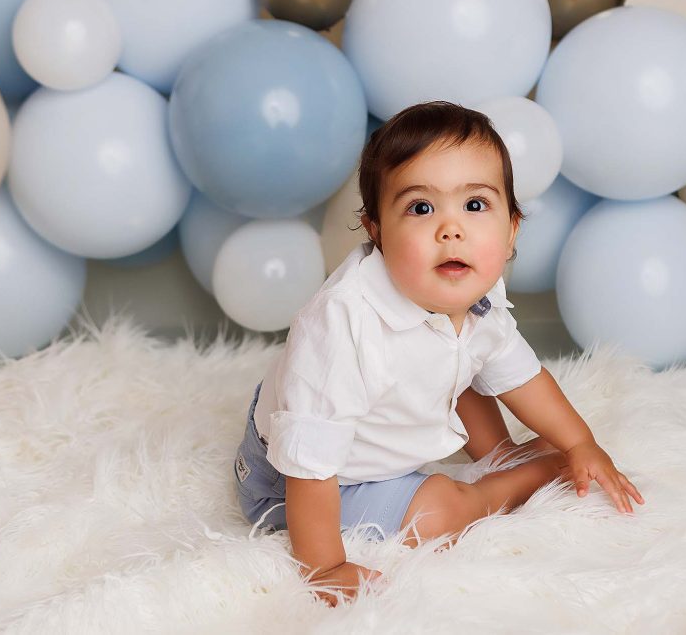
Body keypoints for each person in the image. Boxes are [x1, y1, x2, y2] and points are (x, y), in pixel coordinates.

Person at [233, 101, 644, 607]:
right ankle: (518, 479)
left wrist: (581, 442)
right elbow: (310, 465)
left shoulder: (473, 298)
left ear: (512, 227)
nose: (451, 229)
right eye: (421, 208)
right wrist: (325, 567)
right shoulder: (342, 325)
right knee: (443, 511)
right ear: (376, 230)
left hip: (364, 426)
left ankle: (498, 454)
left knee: (465, 356)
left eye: (474, 206)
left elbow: (522, 377)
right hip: (300, 484)